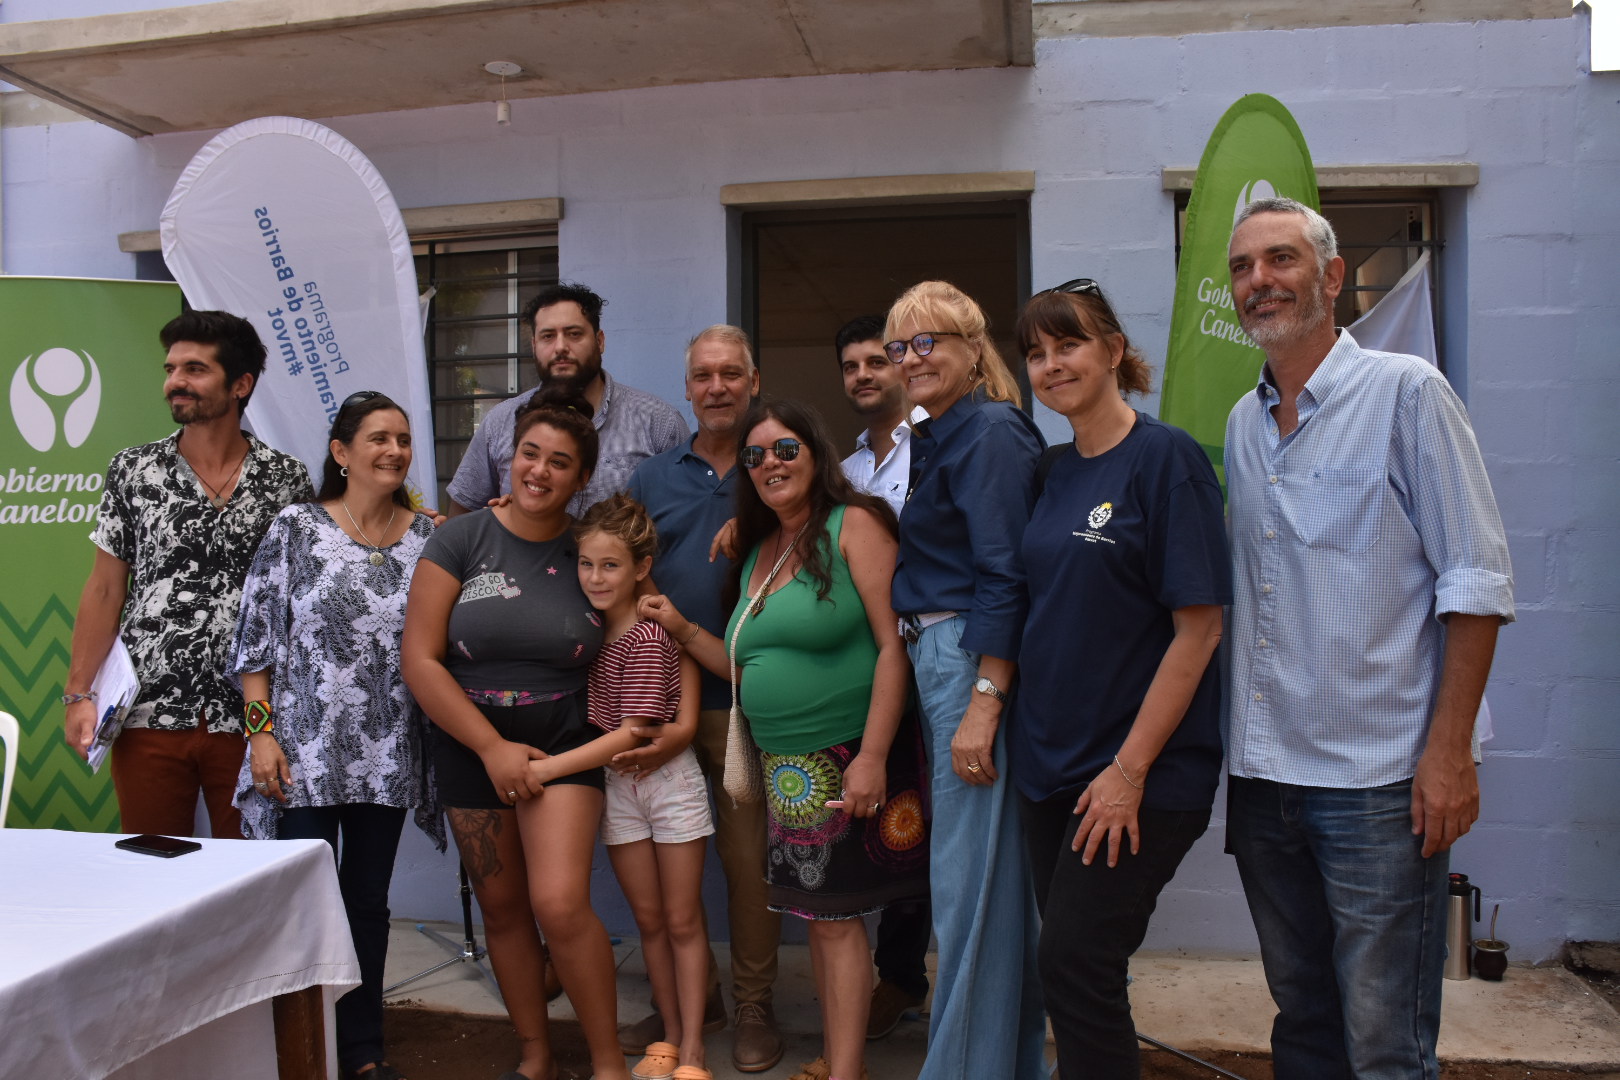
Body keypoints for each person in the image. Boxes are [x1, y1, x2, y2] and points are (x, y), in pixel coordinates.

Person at [1222, 197, 1514, 1079]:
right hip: (1266, 779)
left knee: (1386, 1043)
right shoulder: (1243, 421)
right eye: (1242, 267)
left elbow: (1476, 581)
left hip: (1378, 785)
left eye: (1280, 259)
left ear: (1333, 276)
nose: (1259, 281)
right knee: (1302, 1019)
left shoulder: (1407, 393)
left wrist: (1450, 753)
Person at [640, 399, 927, 1080]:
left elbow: (894, 648)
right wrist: (679, 628)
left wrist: (876, 758)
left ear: (816, 454)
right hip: (785, 767)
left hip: (844, 757)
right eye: (756, 455)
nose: (771, 463)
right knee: (824, 922)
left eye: (785, 449)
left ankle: (847, 1070)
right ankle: (838, 1058)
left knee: (835, 922)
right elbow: (746, 664)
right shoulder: (760, 549)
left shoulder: (853, 524)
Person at [1012, 281, 1230, 1078]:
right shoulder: (1051, 470)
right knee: (1080, 974)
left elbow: (1200, 627)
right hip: (1050, 769)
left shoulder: (1166, 461)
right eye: (1035, 352)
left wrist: (1128, 771)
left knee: (1075, 963)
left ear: (1112, 350)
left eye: (1066, 344)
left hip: (1138, 773)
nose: (1050, 364)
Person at [401, 386, 628, 1080]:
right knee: (502, 909)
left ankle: (608, 1061)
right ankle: (535, 1056)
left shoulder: (592, 547)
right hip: (471, 744)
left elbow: (629, 638)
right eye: (530, 453)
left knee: (558, 905)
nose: (540, 470)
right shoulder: (459, 538)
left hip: (563, 739)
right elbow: (420, 657)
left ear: (582, 477)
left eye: (561, 462)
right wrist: (490, 747)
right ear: (509, 455)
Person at [230, 391, 443, 1080]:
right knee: (299, 905)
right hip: (304, 752)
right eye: (378, 438)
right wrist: (263, 738)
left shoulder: (430, 539)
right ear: (342, 452)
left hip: (387, 755)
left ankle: (361, 1048)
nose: (394, 451)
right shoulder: (296, 528)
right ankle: (294, 1043)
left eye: (403, 439)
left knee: (366, 906)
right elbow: (254, 647)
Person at [62, 310, 312, 838]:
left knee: (247, 874)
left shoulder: (285, 478)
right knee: (149, 865)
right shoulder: (133, 470)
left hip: (251, 716)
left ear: (240, 384)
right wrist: (79, 695)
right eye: (172, 368)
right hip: (150, 709)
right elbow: (106, 587)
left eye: (195, 369)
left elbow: (300, 594)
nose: (175, 381)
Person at [884, 280, 1047, 1080]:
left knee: (969, 893)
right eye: (899, 347)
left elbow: (1005, 575)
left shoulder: (986, 432)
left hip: (966, 662)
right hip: (941, 657)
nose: (911, 359)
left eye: (928, 342)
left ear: (971, 349)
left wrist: (985, 701)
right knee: (985, 890)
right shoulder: (940, 432)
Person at [624, 325, 781, 1073]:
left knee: (749, 864)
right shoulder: (652, 477)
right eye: (703, 375)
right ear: (686, 387)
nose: (716, 386)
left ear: (754, 380)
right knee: (665, 863)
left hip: (750, 702)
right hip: (663, 699)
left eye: (730, 373)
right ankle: (696, 1000)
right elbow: (618, 564)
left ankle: (754, 1004)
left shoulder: (778, 468)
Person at [521, 493, 712, 1080]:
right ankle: (670, 1037)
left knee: (682, 921)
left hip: (668, 783)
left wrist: (549, 769)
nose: (596, 577)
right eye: (586, 564)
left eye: (610, 565)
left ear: (640, 567)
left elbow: (636, 730)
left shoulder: (650, 632)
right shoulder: (585, 634)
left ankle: (696, 1051)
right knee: (648, 920)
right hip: (618, 787)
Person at [832, 314, 932, 1038]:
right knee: (899, 824)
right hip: (877, 671)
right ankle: (898, 978)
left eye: (877, 360)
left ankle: (927, 978)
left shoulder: (941, 445)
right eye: (852, 366)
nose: (864, 375)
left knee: (944, 824)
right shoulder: (845, 472)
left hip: (942, 660)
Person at [447, 281, 687, 518]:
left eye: (574, 334)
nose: (560, 347)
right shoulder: (501, 422)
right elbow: (462, 516)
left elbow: (684, 517)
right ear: (534, 346)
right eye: (548, 336)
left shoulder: (658, 422)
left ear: (600, 341)